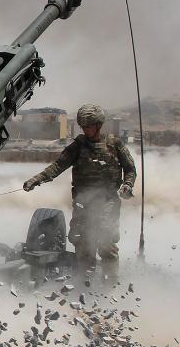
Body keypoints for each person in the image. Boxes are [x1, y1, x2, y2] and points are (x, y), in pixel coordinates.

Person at [23, 103, 136, 283]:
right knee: (83, 244)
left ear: (98, 125)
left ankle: (110, 288)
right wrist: (37, 179)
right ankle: (85, 286)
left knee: (107, 244)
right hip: (84, 203)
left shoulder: (114, 144)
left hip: (108, 202)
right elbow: (58, 166)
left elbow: (130, 169)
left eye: (89, 126)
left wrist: (128, 185)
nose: (85, 129)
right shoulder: (78, 146)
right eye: (83, 126)